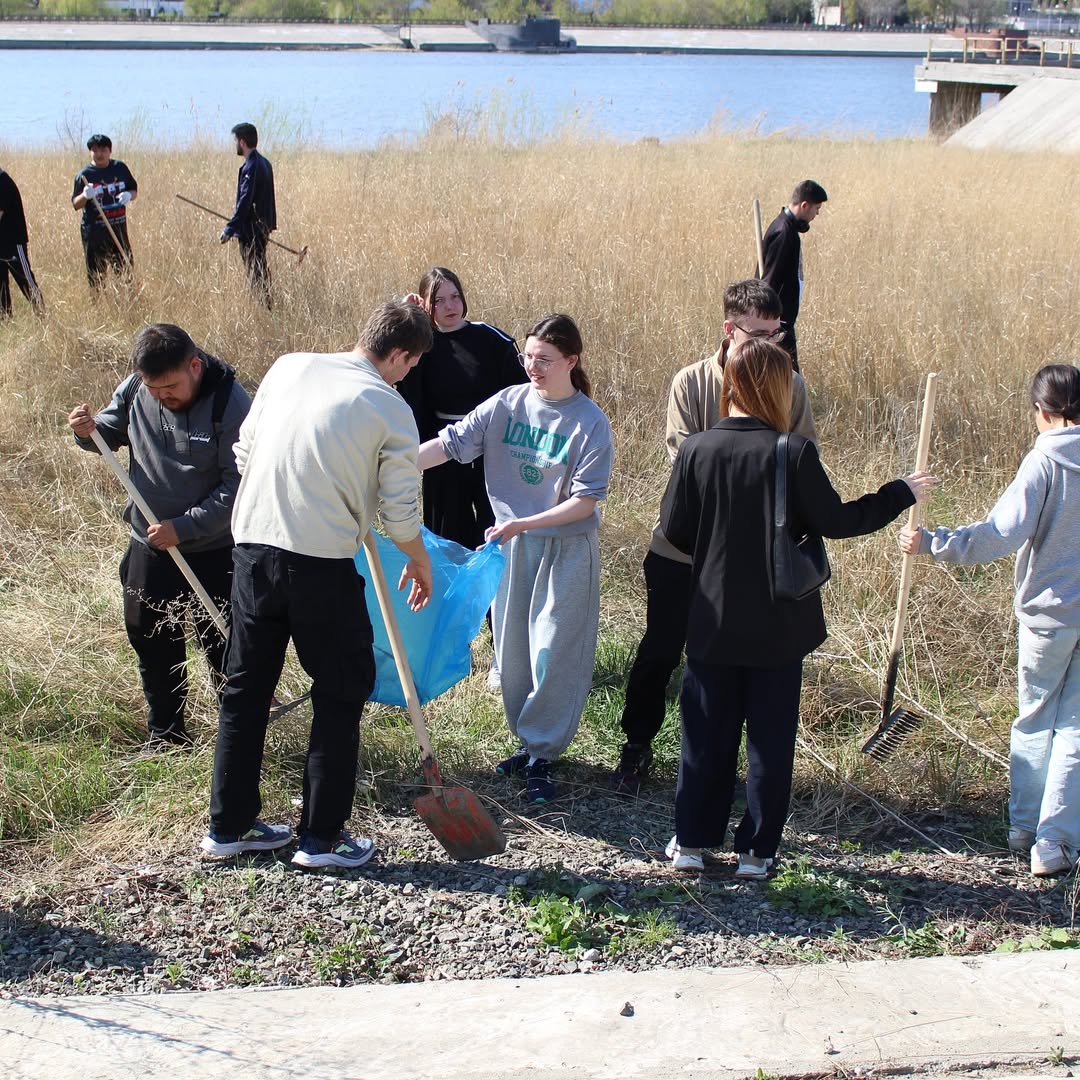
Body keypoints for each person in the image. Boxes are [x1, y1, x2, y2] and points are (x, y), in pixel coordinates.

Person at [660, 339, 936, 877]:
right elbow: (839, 521)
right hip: (780, 624)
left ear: (730, 384)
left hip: (712, 618)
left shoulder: (696, 449)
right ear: (778, 387)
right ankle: (757, 853)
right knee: (769, 742)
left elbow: (674, 529)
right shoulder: (793, 452)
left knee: (705, 736)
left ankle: (691, 843)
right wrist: (898, 492)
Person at [201, 300, 434, 869]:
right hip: (320, 564)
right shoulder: (389, 407)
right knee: (342, 687)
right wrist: (418, 559)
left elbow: (245, 451)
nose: (407, 374)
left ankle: (229, 827)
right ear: (400, 354)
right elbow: (400, 511)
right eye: (410, 364)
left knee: (245, 690)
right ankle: (322, 839)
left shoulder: (289, 366)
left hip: (251, 551)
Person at [615, 280, 817, 795]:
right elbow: (684, 458)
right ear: (729, 330)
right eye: (759, 335)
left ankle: (737, 772)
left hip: (755, 555)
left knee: (745, 664)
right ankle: (636, 745)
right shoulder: (690, 381)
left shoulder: (791, 384)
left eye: (777, 334)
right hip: (683, 549)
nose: (772, 345)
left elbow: (802, 459)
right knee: (662, 648)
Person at [417, 314, 613, 804]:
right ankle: (527, 745)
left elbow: (585, 501)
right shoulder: (507, 403)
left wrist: (524, 524)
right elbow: (450, 445)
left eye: (545, 359)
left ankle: (544, 753)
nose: (533, 367)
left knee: (554, 649)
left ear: (571, 361)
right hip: (511, 546)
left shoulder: (589, 421)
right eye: (528, 357)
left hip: (565, 548)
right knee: (513, 652)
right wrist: (387, 465)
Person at [899, 364, 1080, 878]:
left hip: (1048, 614)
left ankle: (1025, 828)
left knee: (1035, 718)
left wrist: (933, 542)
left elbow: (1001, 534)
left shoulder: (1044, 461)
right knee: (1075, 728)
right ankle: (1055, 843)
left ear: (1040, 411)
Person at [68, 324, 250, 747]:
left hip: (214, 549)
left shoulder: (231, 404)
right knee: (151, 639)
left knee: (224, 644)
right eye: (154, 389)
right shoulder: (137, 390)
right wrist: (86, 431)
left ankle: (237, 740)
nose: (162, 396)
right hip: (148, 543)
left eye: (170, 387)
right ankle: (167, 736)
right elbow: (108, 433)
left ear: (194, 366)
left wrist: (183, 528)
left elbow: (239, 486)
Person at [398, 267, 527, 689]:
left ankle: (502, 649)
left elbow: (520, 400)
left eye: (454, 296)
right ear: (426, 305)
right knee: (447, 547)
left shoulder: (492, 341)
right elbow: (406, 397)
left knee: (494, 547)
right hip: (442, 460)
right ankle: (452, 650)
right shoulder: (421, 349)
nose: (449, 307)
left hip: (492, 461)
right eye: (437, 301)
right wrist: (409, 318)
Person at [760, 179, 827, 371]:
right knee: (788, 381)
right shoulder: (784, 234)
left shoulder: (787, 229)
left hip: (779, 325)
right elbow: (769, 284)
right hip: (776, 328)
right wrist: (769, 329)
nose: (817, 214)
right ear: (805, 205)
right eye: (816, 208)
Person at [220, 122, 276, 309]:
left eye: (235, 140)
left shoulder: (251, 167)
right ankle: (267, 306)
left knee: (255, 272)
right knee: (259, 268)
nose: (235, 144)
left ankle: (265, 308)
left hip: (251, 230)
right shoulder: (264, 163)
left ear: (242, 142)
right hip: (262, 227)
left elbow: (245, 200)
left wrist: (230, 228)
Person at [71, 134, 137, 289]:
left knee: (125, 270)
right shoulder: (84, 175)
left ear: (110, 151)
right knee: (97, 276)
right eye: (95, 150)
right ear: (90, 152)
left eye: (103, 150)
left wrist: (129, 195)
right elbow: (75, 204)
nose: (99, 154)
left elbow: (134, 190)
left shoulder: (120, 168)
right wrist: (85, 196)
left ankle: (126, 299)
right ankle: (98, 301)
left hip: (118, 229)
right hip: (94, 233)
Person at [0, 165, 45, 319]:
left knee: (26, 281)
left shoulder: (3, 182)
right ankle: (5, 323)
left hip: (13, 243)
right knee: (1, 288)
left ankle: (43, 318)